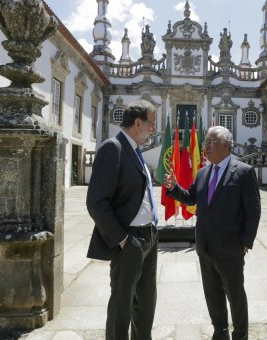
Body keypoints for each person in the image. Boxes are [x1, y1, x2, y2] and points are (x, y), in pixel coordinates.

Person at [164, 125, 261, 340]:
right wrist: (173, 187)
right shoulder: (203, 172)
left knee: (235, 296)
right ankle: (220, 331)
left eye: (211, 141)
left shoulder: (243, 172)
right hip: (205, 246)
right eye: (206, 141)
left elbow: (253, 211)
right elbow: (191, 198)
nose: (206, 145)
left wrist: (246, 241)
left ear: (226, 145)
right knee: (213, 296)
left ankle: (241, 335)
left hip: (230, 248)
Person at [86, 99, 159, 340]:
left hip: (149, 235)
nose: (154, 130)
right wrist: (122, 240)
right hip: (129, 238)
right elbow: (97, 202)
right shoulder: (113, 148)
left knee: (146, 302)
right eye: (152, 124)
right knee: (122, 304)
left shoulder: (136, 152)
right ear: (138, 122)